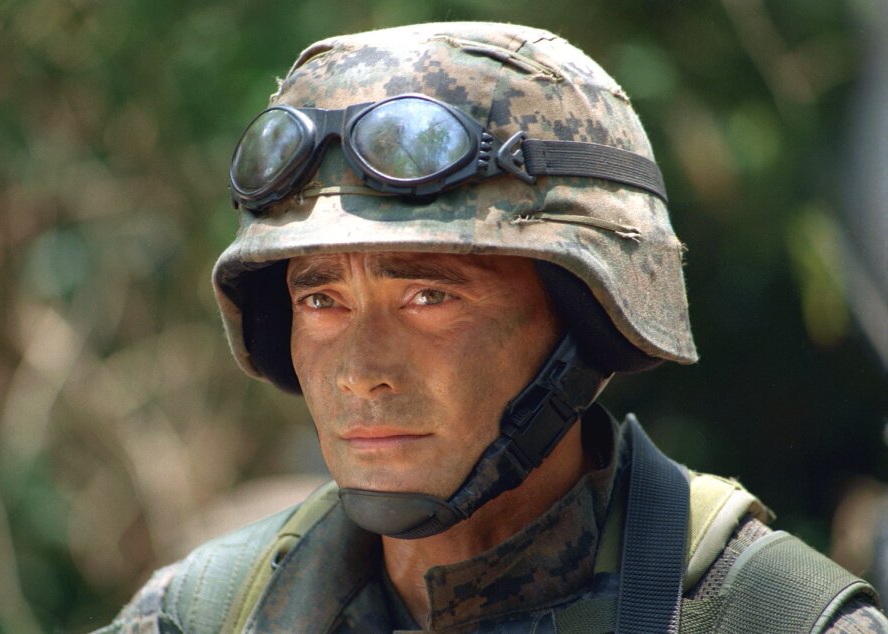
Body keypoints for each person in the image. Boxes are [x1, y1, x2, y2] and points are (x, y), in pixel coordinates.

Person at [96, 22, 887, 633]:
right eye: (321, 300)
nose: (360, 372)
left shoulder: (768, 616)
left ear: (586, 320)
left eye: (429, 297)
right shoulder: (200, 614)